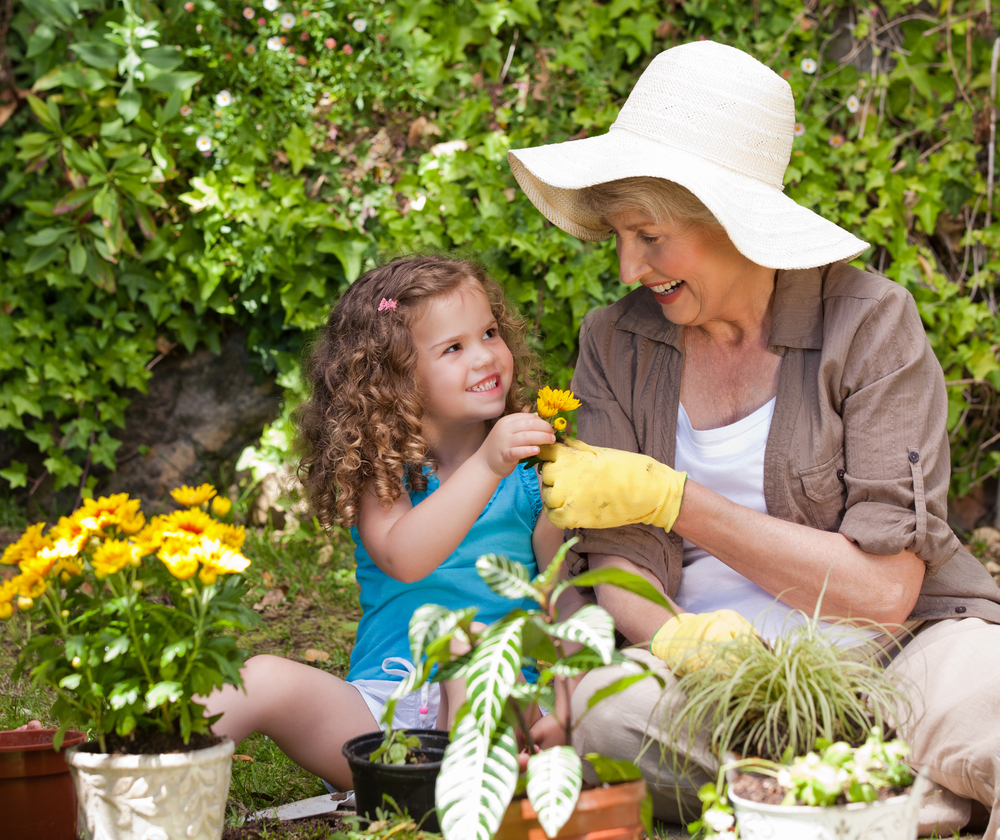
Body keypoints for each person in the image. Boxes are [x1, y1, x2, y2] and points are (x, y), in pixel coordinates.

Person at [507, 40, 1000, 837]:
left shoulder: (870, 325)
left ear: (732, 222)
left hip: (894, 657)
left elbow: (883, 594)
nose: (629, 267)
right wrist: (683, 642)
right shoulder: (615, 341)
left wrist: (680, 500)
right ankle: (889, 791)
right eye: (619, 237)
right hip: (709, 691)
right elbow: (617, 561)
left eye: (650, 236)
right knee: (604, 715)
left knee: (991, 694)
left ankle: (836, 785)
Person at [203, 255, 571, 790]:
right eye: (454, 348)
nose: (486, 356)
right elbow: (404, 556)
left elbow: (558, 608)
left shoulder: (535, 479)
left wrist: (560, 712)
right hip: (382, 714)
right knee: (257, 679)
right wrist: (489, 464)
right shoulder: (385, 473)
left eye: (490, 332)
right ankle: (137, 782)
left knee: (468, 651)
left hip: (498, 702)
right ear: (394, 376)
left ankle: (461, 797)